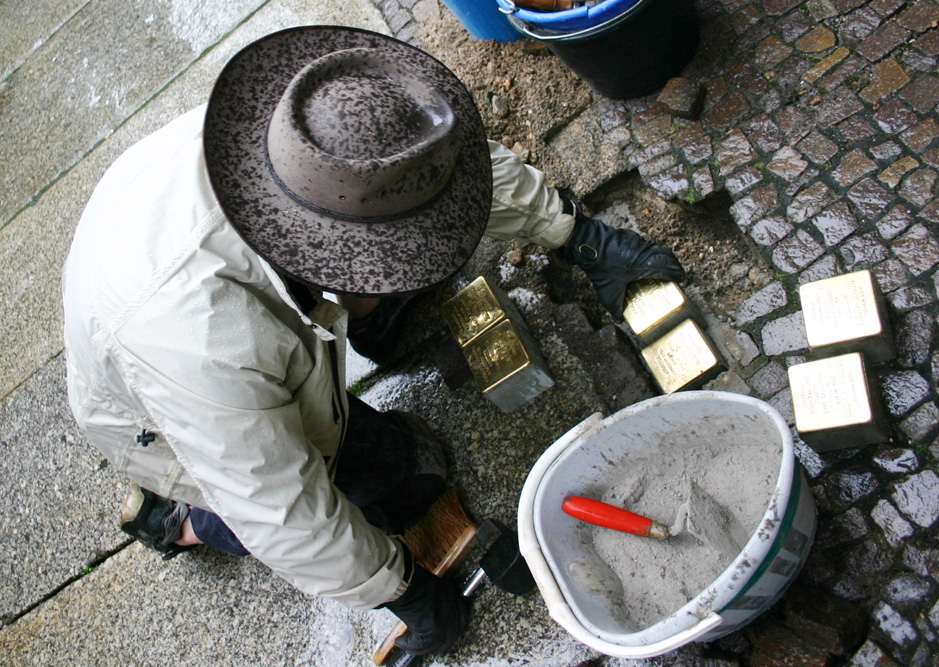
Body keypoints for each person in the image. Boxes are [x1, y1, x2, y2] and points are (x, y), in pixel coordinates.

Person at [61, 26, 684, 657]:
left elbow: (444, 177)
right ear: (331, 262)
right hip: (149, 396)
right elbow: (282, 514)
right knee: (328, 483)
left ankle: (353, 384)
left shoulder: (318, 133)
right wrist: (404, 591)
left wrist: (575, 234)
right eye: (391, 267)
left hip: (168, 247)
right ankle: (178, 521)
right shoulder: (202, 347)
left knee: (398, 460)